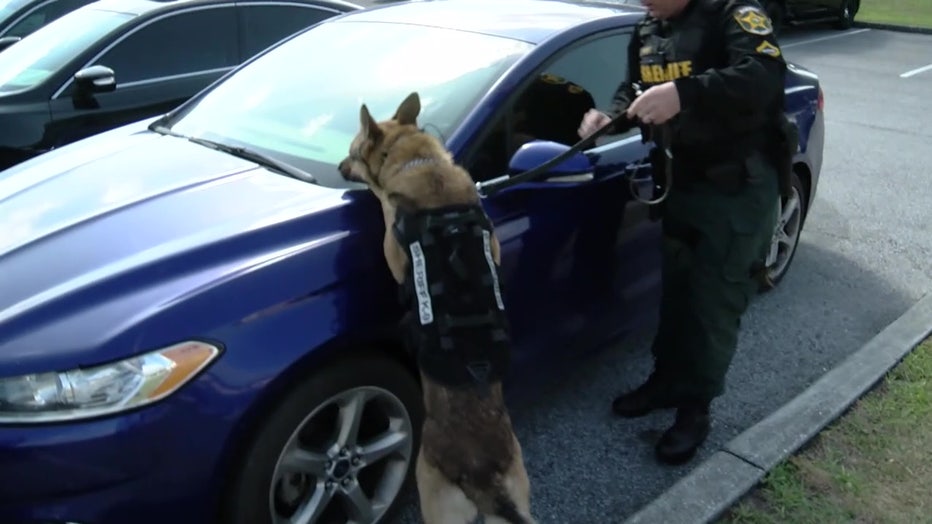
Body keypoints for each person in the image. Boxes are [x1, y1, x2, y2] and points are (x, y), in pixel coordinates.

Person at [577, 0, 791, 465]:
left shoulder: (733, 13)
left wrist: (685, 93)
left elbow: (765, 75)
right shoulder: (650, 27)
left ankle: (696, 409)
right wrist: (609, 117)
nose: (643, 2)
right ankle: (666, 382)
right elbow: (636, 89)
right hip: (682, 184)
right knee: (678, 292)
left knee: (713, 303)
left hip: (736, 189)